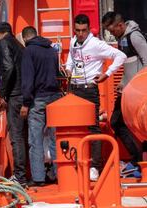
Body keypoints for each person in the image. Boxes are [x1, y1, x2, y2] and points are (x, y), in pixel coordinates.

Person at [66, 14, 127, 181]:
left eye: (83, 31)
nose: (80, 34)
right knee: (76, 127)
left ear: (89, 29)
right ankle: (78, 162)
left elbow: (120, 56)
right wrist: (68, 68)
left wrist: (107, 74)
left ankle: (95, 166)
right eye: (77, 30)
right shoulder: (73, 42)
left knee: (93, 127)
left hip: (89, 89)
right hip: (74, 89)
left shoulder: (96, 44)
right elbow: (71, 57)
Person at [101, 12, 146, 166]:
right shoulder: (122, 40)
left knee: (118, 122)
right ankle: (138, 159)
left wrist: (140, 85)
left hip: (138, 92)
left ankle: (138, 160)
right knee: (120, 123)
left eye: (112, 31)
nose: (112, 34)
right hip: (129, 90)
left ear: (120, 25)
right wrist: (122, 82)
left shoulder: (134, 37)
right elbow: (129, 67)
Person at [20, 26, 63, 186]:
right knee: (55, 139)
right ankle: (60, 174)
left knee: (35, 140)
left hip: (38, 98)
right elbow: (57, 74)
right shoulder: (52, 50)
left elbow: (28, 79)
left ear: (25, 38)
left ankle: (38, 178)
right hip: (55, 97)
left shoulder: (29, 52)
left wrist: (25, 102)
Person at [0, 22, 27, 185]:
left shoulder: (4, 42)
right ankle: (29, 174)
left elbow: (8, 68)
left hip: (14, 94)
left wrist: (3, 94)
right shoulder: (19, 45)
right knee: (25, 135)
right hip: (25, 93)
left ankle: (20, 176)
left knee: (16, 135)